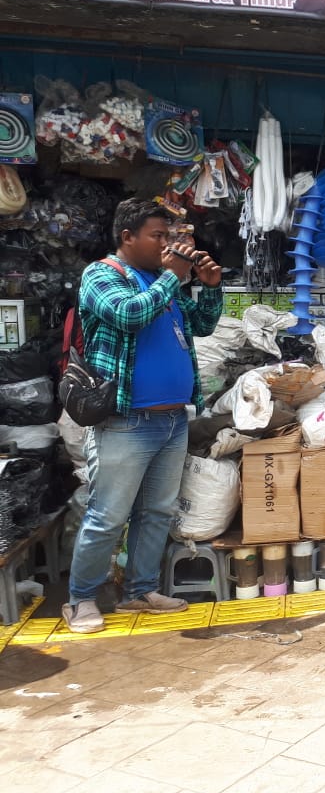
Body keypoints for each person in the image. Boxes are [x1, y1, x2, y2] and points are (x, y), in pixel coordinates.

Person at [63, 198, 223, 634]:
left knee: (156, 512)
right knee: (108, 515)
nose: (167, 246)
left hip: (171, 420)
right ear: (127, 237)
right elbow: (130, 315)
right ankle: (80, 600)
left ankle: (140, 591)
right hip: (125, 421)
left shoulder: (158, 280)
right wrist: (174, 276)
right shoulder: (102, 275)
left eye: (170, 237)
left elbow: (202, 325)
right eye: (158, 236)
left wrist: (208, 286)